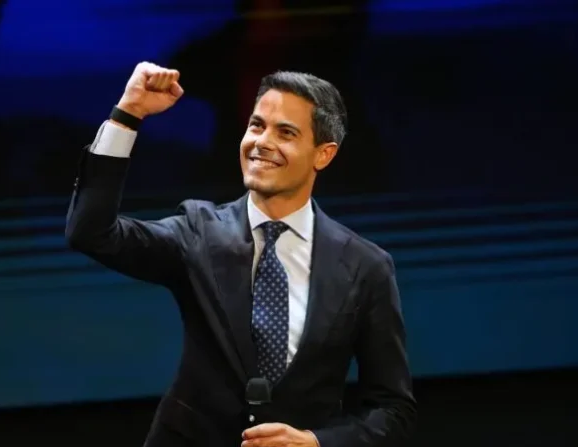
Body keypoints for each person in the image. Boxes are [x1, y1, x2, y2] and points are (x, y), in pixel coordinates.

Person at [65, 62, 416, 447]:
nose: (262, 141)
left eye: (285, 132)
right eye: (256, 125)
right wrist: (128, 114)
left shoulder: (366, 267)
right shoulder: (199, 231)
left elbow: (392, 410)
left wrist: (316, 443)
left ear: (323, 155)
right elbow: (91, 233)